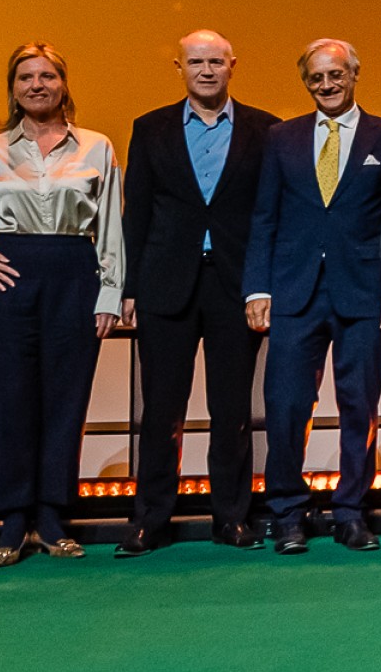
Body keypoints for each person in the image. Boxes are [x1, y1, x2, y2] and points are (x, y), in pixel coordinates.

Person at [0, 44, 124, 567]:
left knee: (65, 398)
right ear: (12, 88)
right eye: (26, 77)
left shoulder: (96, 146)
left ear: (63, 84)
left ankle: (51, 515)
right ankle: (11, 518)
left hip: (74, 273)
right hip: (7, 277)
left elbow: (111, 227)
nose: (37, 85)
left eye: (47, 76)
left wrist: (110, 293)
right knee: (5, 400)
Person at [245, 39, 381, 555]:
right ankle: (287, 514)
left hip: (363, 293)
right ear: (306, 82)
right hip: (293, 292)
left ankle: (351, 512)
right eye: (316, 77)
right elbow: (264, 216)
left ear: (354, 75)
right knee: (286, 406)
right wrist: (258, 287)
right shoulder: (281, 138)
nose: (326, 84)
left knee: (359, 405)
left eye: (335, 74)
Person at [117, 30, 280, 555]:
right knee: (161, 410)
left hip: (236, 285)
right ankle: (150, 519)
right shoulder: (150, 128)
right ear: (179, 67)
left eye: (215, 62)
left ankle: (231, 517)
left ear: (233, 65)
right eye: (196, 62)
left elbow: (270, 214)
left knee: (232, 411)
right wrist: (129, 287)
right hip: (165, 285)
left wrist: (264, 284)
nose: (206, 71)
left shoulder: (266, 129)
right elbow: (137, 212)